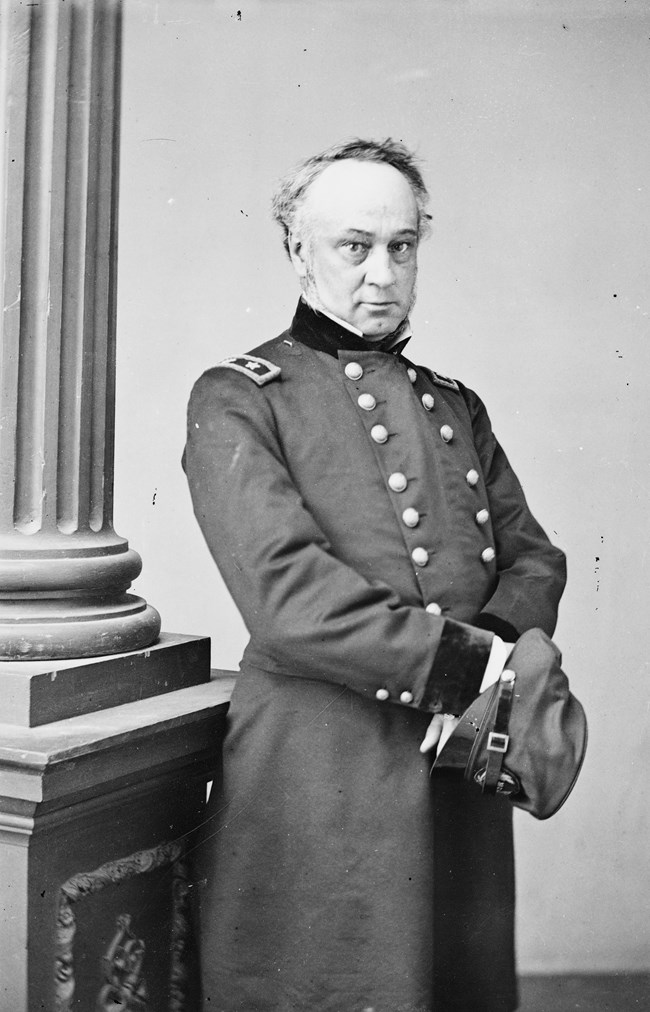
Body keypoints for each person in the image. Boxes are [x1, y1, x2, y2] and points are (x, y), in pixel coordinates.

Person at [183, 138, 567, 1012]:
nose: (382, 272)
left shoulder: (455, 402)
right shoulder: (240, 396)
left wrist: (486, 673)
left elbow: (534, 556)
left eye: (402, 246)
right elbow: (288, 600)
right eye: (353, 246)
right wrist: (469, 669)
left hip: (460, 763)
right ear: (296, 249)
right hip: (322, 770)